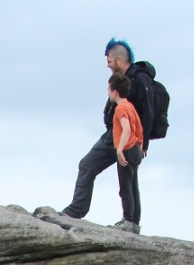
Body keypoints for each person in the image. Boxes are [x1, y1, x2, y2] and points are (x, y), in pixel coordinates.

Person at [61, 38, 155, 232]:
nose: (108, 66)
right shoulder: (124, 80)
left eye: (110, 62)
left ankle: (79, 211)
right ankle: (131, 222)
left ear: (119, 60)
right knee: (128, 180)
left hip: (122, 139)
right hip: (122, 137)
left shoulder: (139, 80)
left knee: (89, 166)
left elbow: (147, 111)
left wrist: (142, 143)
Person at [108, 73, 143, 233]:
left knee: (125, 187)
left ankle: (127, 220)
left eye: (109, 90)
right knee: (133, 186)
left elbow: (127, 129)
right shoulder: (130, 106)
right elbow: (139, 127)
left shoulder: (121, 108)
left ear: (115, 91)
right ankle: (135, 222)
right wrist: (140, 144)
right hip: (135, 148)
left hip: (128, 149)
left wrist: (120, 150)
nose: (108, 93)